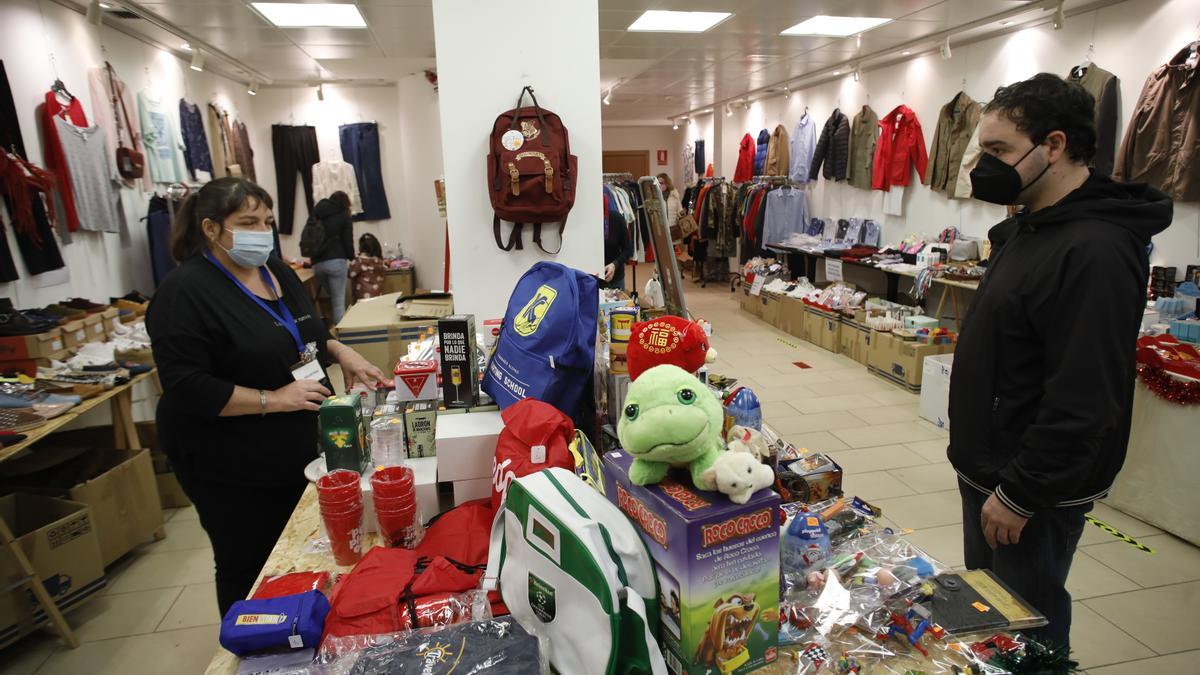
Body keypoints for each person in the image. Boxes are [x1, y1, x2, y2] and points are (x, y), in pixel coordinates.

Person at [948, 73, 1171, 649]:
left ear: (1054, 145)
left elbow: (1085, 392)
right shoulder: (1030, 226)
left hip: (1028, 486)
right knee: (995, 613)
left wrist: (1022, 492)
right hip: (992, 465)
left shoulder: (1095, 248)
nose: (983, 164)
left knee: (1030, 622)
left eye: (997, 150)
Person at [147, 177, 389, 616]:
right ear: (211, 229)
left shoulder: (273, 270)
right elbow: (186, 388)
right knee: (248, 560)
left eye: (267, 220)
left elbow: (309, 329)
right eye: (247, 221)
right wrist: (275, 399)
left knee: (294, 549)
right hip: (226, 459)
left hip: (289, 440)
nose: (261, 231)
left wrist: (343, 352)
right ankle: (249, 641)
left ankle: (298, 622)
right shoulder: (183, 293)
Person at [310, 190, 355, 324]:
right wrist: (352, 257)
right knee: (338, 302)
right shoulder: (344, 216)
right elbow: (348, 241)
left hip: (317, 263)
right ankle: (342, 337)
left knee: (334, 298)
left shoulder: (317, 213)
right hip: (336, 261)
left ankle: (335, 329)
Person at [602, 185, 633, 290]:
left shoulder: (616, 219)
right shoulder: (586, 223)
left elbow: (628, 250)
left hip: (615, 278)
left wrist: (614, 265)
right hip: (592, 278)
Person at [349, 232, 388, 301]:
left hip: (363, 295)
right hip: (378, 293)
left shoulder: (359, 261)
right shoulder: (379, 261)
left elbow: (350, 274)